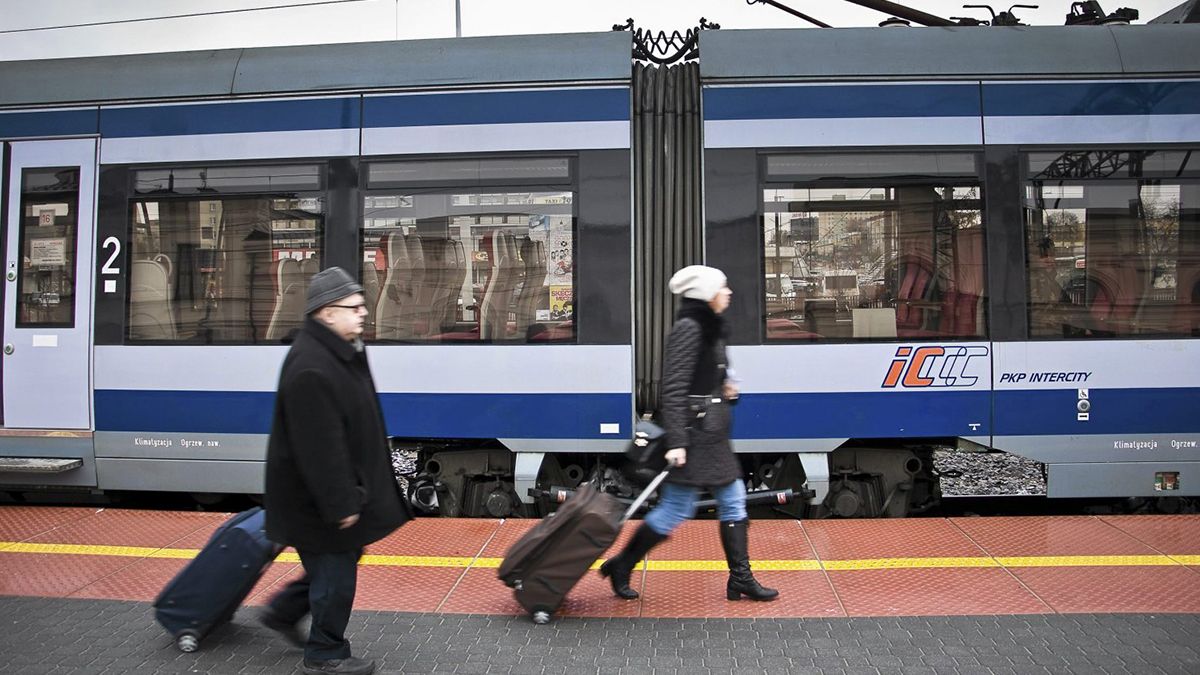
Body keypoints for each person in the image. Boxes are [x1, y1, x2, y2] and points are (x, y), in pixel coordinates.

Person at [261, 266, 412, 675]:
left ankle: (282, 611)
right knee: (335, 575)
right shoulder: (313, 367)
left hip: (330, 493)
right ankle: (325, 654)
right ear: (326, 312)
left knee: (338, 563)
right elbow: (319, 449)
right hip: (317, 500)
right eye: (355, 307)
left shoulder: (336, 351)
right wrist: (341, 503)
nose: (364, 313)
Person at [600, 265, 778, 602]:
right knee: (677, 509)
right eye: (723, 288)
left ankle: (739, 578)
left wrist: (724, 387)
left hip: (711, 436)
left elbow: (704, 377)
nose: (729, 293)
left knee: (729, 500)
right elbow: (674, 387)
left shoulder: (712, 329)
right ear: (708, 295)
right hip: (695, 437)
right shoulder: (688, 328)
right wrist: (678, 442)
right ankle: (623, 565)